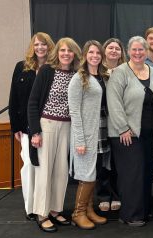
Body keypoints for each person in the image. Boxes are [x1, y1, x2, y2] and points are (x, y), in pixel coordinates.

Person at [28, 37, 81, 232]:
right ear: (57, 52)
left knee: (60, 171)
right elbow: (32, 102)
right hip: (47, 125)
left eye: (69, 51)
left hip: (66, 126)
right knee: (45, 171)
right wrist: (35, 131)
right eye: (62, 50)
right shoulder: (46, 71)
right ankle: (41, 213)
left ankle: (55, 210)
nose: (66, 54)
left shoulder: (76, 74)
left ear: (74, 54)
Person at [106, 36, 153, 226]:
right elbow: (113, 102)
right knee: (131, 174)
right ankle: (131, 215)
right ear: (128, 51)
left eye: (141, 50)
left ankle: (144, 210)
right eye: (134, 50)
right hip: (126, 134)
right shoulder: (120, 73)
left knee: (145, 173)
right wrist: (123, 129)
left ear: (147, 52)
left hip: (148, 134)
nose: (138, 53)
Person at [8, 32, 55, 221]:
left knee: (45, 167)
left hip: (49, 125)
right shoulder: (22, 67)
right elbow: (14, 98)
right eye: (37, 45)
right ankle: (31, 208)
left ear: (49, 46)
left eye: (44, 45)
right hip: (26, 127)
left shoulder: (54, 68)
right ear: (32, 47)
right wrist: (15, 127)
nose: (40, 48)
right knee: (29, 165)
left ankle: (45, 205)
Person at [68, 40, 108, 229]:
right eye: (91, 52)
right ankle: (78, 212)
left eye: (98, 53)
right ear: (85, 55)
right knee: (86, 173)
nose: (95, 56)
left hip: (100, 129)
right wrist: (80, 140)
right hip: (85, 133)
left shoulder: (101, 76)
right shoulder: (79, 78)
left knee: (94, 172)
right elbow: (74, 111)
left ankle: (89, 210)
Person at [96, 38, 126, 212]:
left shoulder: (125, 71)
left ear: (122, 52)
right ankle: (103, 195)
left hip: (120, 122)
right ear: (104, 51)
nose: (114, 51)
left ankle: (116, 195)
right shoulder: (97, 71)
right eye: (110, 48)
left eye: (117, 48)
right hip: (101, 122)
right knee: (102, 161)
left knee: (116, 161)